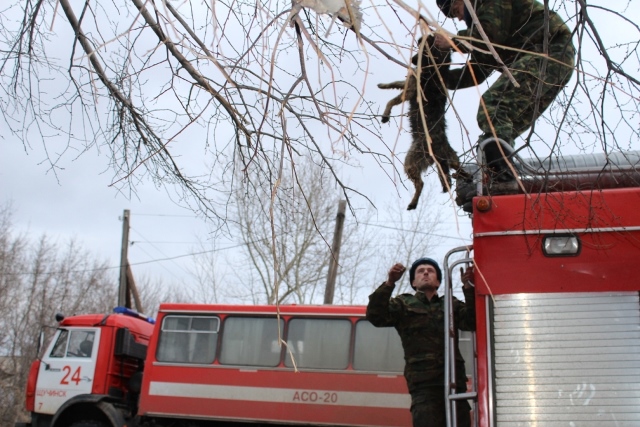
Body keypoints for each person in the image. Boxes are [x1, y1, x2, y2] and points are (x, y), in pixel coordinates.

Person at [433, 0, 575, 180]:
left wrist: (453, 41)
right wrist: (437, 79)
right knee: (505, 124)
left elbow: (488, 38)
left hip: (550, 50)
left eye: (457, 10)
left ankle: (501, 170)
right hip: (553, 59)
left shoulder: (491, 3)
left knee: (494, 105)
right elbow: (477, 70)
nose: (460, 18)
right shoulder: (481, 24)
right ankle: (499, 173)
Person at [366, 257, 475, 427]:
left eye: (431, 271)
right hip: (424, 385)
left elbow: (472, 321)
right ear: (413, 282)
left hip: (454, 382)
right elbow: (375, 316)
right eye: (420, 271)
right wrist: (390, 282)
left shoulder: (450, 304)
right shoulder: (404, 304)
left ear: (438, 282)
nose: (425, 272)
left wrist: (468, 287)